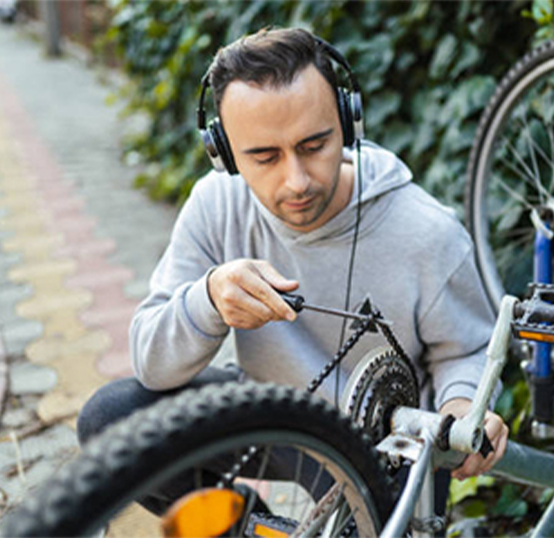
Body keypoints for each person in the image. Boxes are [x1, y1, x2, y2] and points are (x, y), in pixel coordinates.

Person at [77, 26, 508, 515]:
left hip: (382, 447)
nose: (296, 181)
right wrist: (210, 300)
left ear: (347, 123)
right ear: (224, 153)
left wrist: (460, 411)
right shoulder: (216, 203)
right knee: (110, 422)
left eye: (314, 145)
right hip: (268, 414)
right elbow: (151, 362)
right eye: (263, 156)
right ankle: (242, 524)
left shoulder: (428, 233)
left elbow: (466, 349)